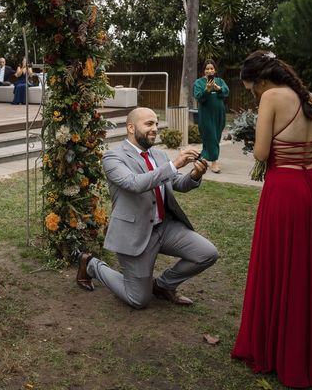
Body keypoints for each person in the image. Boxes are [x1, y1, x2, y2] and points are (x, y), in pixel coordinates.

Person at [231, 51, 312, 388]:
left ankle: (281, 352)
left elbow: (262, 153)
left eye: (251, 89)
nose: (254, 95)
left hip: (286, 191)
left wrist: (254, 136)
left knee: (282, 267)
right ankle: (311, 352)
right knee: (309, 269)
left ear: (262, 81)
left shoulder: (272, 98)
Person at [76, 107, 219, 309]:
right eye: (149, 124)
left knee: (207, 253)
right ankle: (92, 265)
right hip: (135, 233)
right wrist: (173, 165)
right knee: (138, 300)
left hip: (165, 228)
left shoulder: (159, 156)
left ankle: (163, 285)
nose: (155, 129)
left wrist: (195, 175)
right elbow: (135, 184)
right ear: (131, 127)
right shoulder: (113, 158)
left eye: (156, 124)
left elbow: (178, 183)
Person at [193, 59, 229, 173]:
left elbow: (226, 92)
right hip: (206, 115)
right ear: (204, 71)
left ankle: (204, 156)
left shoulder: (220, 81)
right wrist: (207, 90)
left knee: (216, 137)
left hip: (219, 114)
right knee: (211, 136)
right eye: (207, 69)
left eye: (211, 68)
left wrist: (218, 88)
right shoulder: (198, 83)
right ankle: (214, 162)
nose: (209, 71)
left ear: (215, 70)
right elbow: (199, 97)